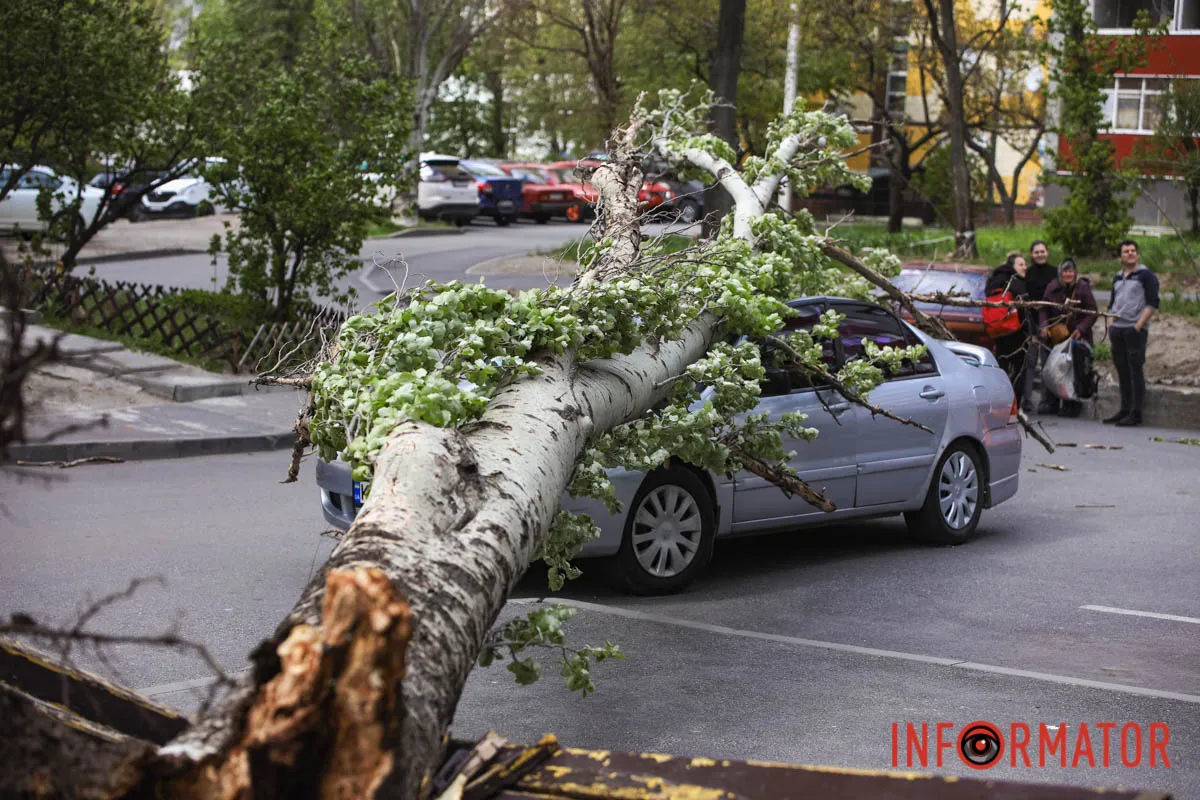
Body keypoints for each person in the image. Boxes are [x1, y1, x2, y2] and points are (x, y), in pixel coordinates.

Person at [1105, 239, 1159, 427]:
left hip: (1135, 330)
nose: (1130, 253)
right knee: (1122, 370)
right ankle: (1124, 409)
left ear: (1137, 254)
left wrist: (1138, 326)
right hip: (1117, 330)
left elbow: (1153, 303)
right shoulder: (1118, 277)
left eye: (1133, 250)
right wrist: (1111, 324)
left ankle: (1136, 413)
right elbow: (1112, 303)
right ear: (1120, 257)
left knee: (1135, 371)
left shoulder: (1146, 276)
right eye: (1126, 251)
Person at [1037, 259, 1098, 417]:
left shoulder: (1082, 288)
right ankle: (1050, 403)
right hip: (1055, 338)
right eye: (1065, 271)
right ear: (1060, 273)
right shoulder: (1052, 288)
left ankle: (1071, 404)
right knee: (1052, 369)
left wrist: (1081, 329)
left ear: (1075, 273)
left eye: (1071, 271)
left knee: (1073, 371)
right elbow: (1043, 308)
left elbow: (1093, 311)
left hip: (1076, 339)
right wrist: (1043, 326)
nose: (1068, 274)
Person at [987, 252, 1032, 400]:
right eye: (1021, 265)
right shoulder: (1016, 282)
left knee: (1002, 368)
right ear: (1012, 266)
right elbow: (1025, 311)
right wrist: (1031, 331)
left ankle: (998, 401)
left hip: (999, 331)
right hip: (1016, 332)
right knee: (1020, 369)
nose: (1025, 267)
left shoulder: (994, 280)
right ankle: (1015, 404)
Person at [1024, 240, 1057, 412]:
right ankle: (1027, 400)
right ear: (1031, 255)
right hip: (1030, 324)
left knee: (1047, 365)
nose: (1039, 254)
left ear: (1047, 252)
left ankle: (1046, 401)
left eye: (1042, 251)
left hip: (1050, 325)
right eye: (1036, 252)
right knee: (1029, 364)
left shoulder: (1055, 272)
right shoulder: (1027, 274)